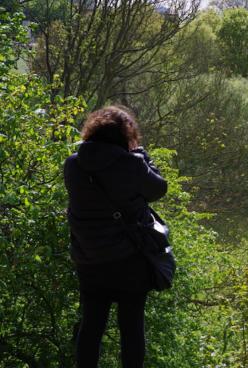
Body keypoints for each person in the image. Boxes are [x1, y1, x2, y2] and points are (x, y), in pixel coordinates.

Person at [64, 106, 168, 368]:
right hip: (129, 259)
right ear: (126, 134)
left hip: (88, 259)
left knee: (91, 325)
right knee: (131, 328)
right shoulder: (132, 165)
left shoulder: (73, 165)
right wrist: (144, 157)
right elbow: (158, 189)